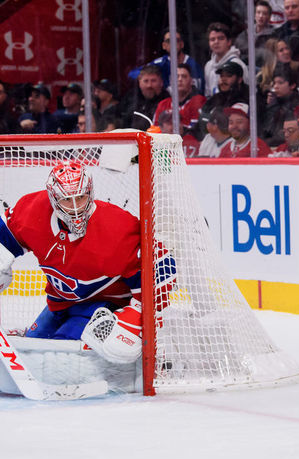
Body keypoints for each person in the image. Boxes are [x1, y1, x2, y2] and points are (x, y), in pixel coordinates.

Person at [0, 161, 174, 364]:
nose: (75, 208)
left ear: (90, 193)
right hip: (59, 303)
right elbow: (5, 237)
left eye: (80, 198)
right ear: (53, 198)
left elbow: (163, 267)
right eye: (67, 200)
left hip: (105, 307)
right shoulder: (33, 211)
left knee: (61, 356)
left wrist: (135, 317)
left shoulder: (117, 227)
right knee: (31, 349)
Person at [129, 29, 204, 95]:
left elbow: (199, 92)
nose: (173, 44)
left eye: (176, 40)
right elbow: (132, 74)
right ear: (164, 46)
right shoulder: (160, 63)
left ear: (182, 44)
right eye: (169, 41)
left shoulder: (193, 65)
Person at [153, 64, 207, 135]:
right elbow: (154, 131)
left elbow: (196, 132)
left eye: (184, 76)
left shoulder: (199, 101)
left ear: (191, 81)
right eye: (176, 76)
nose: (180, 79)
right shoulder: (163, 104)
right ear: (171, 81)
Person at [261, 63, 299, 147]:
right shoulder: (273, 103)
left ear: (292, 85)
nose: (276, 86)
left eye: (280, 83)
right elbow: (266, 129)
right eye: (274, 83)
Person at [204, 22, 249, 97]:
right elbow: (208, 94)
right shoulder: (208, 66)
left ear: (229, 42)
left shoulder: (238, 64)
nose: (216, 42)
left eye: (220, 38)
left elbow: (247, 94)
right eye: (212, 39)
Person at [120, 64, 170, 130]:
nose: (149, 85)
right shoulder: (131, 99)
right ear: (139, 83)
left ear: (161, 82)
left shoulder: (168, 102)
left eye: (153, 81)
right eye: (146, 81)